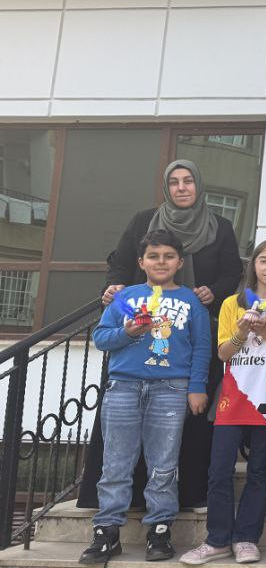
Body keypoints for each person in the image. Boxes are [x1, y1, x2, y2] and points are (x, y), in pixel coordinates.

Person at [83, 160, 240, 513]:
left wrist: (214, 292)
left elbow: (233, 271)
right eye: (174, 182)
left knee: (190, 416)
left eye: (188, 181)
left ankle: (186, 495)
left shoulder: (220, 226)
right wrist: (115, 288)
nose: (181, 187)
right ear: (166, 187)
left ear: (199, 186)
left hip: (193, 333)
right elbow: (121, 262)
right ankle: (123, 502)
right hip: (138, 339)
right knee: (124, 424)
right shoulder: (144, 221)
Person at [80, 230, 211, 564]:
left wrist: (197, 387)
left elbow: (202, 347)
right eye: (154, 256)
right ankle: (107, 531)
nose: (161, 262)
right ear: (141, 262)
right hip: (124, 386)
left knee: (164, 463)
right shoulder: (126, 297)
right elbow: (102, 338)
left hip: (172, 388)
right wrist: (128, 331)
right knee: (116, 462)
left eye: (168, 256)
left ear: (179, 262)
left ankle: (160, 530)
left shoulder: (190, 300)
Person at [180, 239, 266, 567]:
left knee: (259, 471)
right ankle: (217, 540)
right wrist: (242, 332)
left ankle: (246, 539)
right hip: (232, 398)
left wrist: (265, 330)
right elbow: (223, 353)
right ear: (253, 264)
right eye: (263, 260)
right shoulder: (232, 303)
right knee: (219, 471)